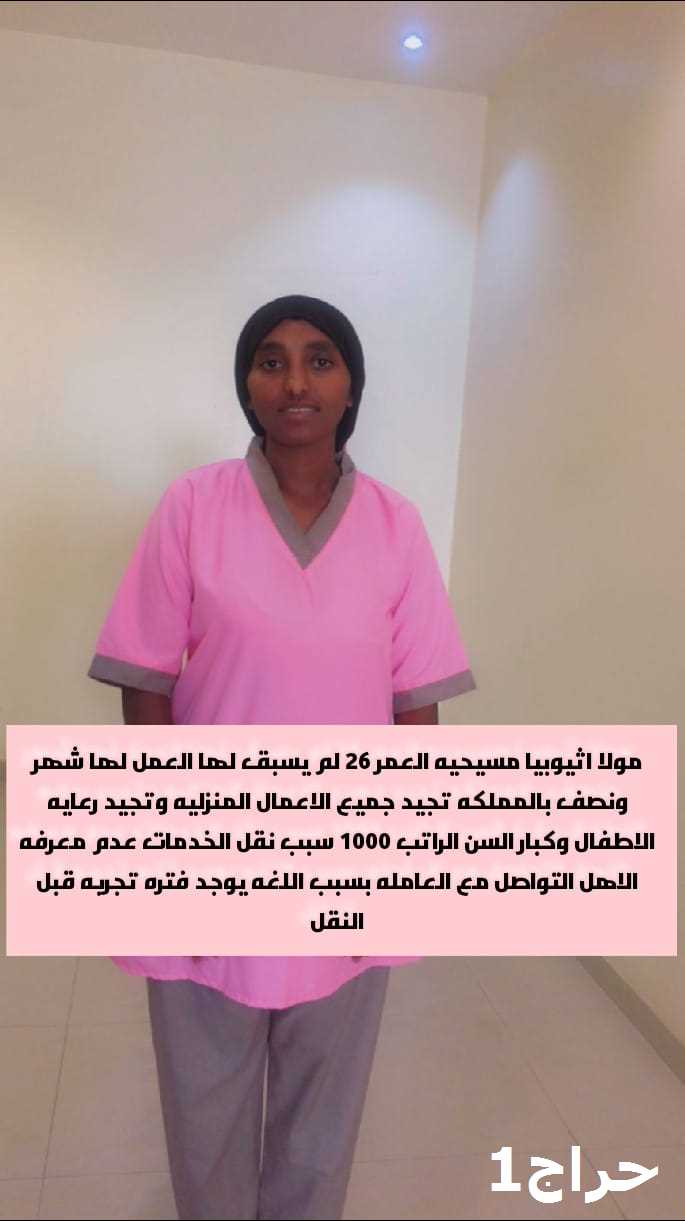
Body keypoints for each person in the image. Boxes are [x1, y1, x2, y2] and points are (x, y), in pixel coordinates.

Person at [87, 294, 476, 1220]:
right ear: (248, 386)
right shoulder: (193, 507)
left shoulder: (395, 525)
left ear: (350, 386)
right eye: (270, 360)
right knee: (205, 1097)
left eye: (319, 359)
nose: (295, 380)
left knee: (323, 1111)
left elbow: (414, 703)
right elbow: (145, 681)